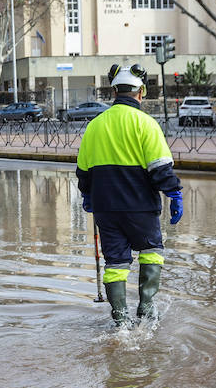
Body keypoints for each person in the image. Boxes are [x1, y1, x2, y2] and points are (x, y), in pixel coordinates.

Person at [77, 63, 183, 326]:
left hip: (106, 209)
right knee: (151, 251)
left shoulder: (95, 126)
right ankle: (146, 306)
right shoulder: (146, 124)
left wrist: (88, 196)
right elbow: (160, 169)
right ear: (141, 92)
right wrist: (175, 193)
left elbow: (83, 172)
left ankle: (120, 320)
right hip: (140, 207)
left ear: (114, 92)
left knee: (115, 263)